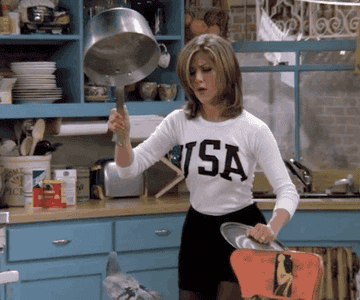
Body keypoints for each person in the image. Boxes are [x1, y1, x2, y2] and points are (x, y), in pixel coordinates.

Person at [108, 34, 300, 300]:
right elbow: (128, 168)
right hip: (197, 232)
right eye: (192, 72)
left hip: (241, 231)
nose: (198, 78)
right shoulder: (179, 121)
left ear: (226, 71)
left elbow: (287, 191)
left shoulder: (253, 129)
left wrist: (273, 227)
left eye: (206, 70)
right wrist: (123, 138)